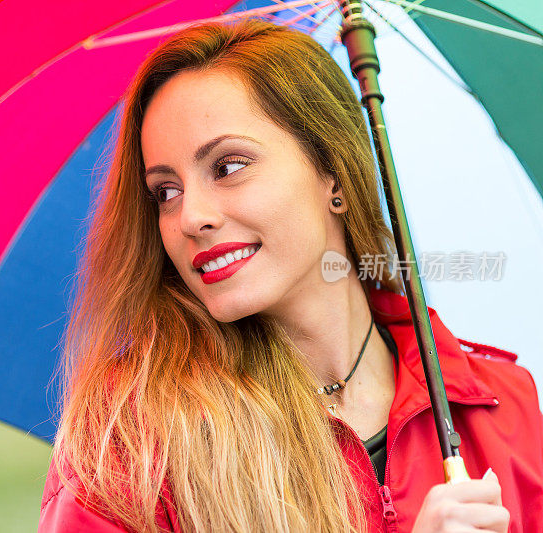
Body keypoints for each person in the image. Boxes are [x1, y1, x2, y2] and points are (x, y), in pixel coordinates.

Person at [38, 19, 543, 532]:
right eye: (166, 192)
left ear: (335, 173)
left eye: (228, 166)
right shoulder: (132, 447)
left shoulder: (504, 410)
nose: (190, 218)